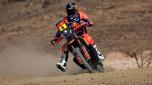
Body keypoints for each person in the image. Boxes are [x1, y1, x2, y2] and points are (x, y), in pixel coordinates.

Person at [51, 2, 104, 72]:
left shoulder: (81, 15)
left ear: (76, 9)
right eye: (69, 11)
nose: (71, 12)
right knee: (64, 47)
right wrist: (56, 39)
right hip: (70, 38)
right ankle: (63, 63)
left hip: (82, 34)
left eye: (72, 10)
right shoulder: (65, 20)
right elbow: (60, 31)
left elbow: (89, 21)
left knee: (88, 38)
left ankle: (98, 53)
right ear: (67, 11)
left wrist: (87, 23)